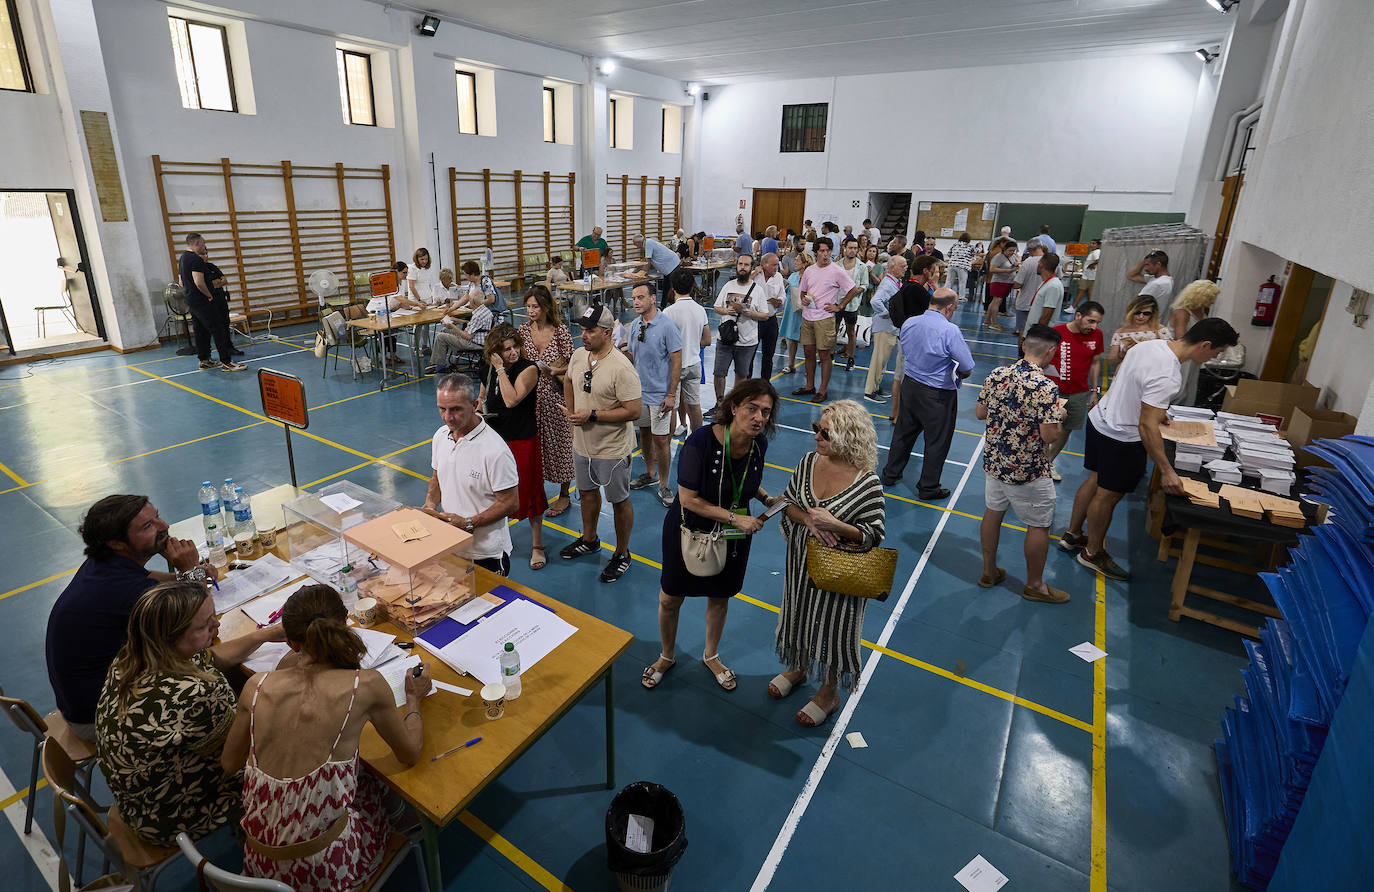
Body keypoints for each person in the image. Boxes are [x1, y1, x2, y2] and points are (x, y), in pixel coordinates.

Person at [222, 584, 431, 892]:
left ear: (290, 642)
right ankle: (407, 827)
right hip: (326, 869)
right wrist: (413, 700)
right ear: (345, 621)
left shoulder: (256, 686)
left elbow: (229, 764)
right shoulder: (366, 686)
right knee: (370, 781)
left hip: (258, 864)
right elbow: (409, 753)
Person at [96, 580, 283, 846]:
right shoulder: (197, 693)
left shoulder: (133, 657)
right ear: (173, 637)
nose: (216, 626)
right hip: (177, 815)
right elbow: (239, 759)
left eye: (214, 616)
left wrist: (264, 635)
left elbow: (210, 658)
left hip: (139, 803)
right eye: (205, 624)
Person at [1060, 318, 1239, 581]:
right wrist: (1166, 470)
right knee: (1108, 495)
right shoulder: (1169, 373)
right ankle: (1092, 553)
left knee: (1095, 479)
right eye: (1217, 352)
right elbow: (1145, 425)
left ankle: (1073, 535)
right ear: (1205, 344)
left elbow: (1126, 379)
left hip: (1101, 421)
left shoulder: (1150, 345)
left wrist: (1154, 411)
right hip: (1122, 435)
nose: (1215, 357)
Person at [642, 379, 779, 693]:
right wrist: (736, 518)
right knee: (670, 598)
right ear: (733, 408)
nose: (759, 417)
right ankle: (666, 655)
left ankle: (711, 655)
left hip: (732, 536)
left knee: (720, 597)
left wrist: (766, 498)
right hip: (687, 529)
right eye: (752, 408)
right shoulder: (700, 443)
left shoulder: (759, 444)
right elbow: (688, 499)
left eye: (766, 412)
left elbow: (746, 481)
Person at [46, 495, 212, 740]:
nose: (164, 525)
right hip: (102, 717)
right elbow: (205, 628)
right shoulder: (126, 593)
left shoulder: (105, 564)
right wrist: (191, 571)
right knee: (218, 674)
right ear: (117, 543)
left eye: (157, 516)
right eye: (148, 526)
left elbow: (147, 578)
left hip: (82, 702)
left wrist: (189, 577)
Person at [772, 400, 886, 727]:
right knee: (799, 613)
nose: (816, 437)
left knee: (837, 627)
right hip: (800, 563)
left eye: (825, 432)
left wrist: (836, 526)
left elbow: (873, 535)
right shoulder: (808, 462)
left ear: (848, 437)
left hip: (840, 574)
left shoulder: (867, 483)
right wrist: (808, 520)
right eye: (816, 429)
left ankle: (829, 691)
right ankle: (799, 666)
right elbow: (788, 504)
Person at [975, 325, 1069, 604]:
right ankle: (1035, 585)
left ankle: (989, 571)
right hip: (1028, 471)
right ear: (1051, 351)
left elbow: (981, 412)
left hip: (995, 462)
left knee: (993, 513)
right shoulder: (1045, 387)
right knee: (1039, 526)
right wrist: (1060, 413)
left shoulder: (997, 374)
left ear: (1024, 344)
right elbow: (1049, 435)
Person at [561, 305, 642, 583]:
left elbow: (634, 410)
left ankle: (622, 553)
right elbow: (568, 381)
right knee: (586, 493)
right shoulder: (578, 355)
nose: (583, 335)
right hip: (583, 444)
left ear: (607, 332)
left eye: (590, 330)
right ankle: (590, 539)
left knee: (618, 500)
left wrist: (593, 414)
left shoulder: (621, 367)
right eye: (582, 329)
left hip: (612, 449)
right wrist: (573, 418)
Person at [880, 289, 974, 499]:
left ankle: (890, 473)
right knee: (937, 441)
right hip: (937, 394)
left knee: (903, 432)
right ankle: (928, 487)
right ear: (949, 307)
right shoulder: (950, 331)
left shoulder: (910, 323)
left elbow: (905, 350)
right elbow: (967, 367)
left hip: (911, 386)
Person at [423, 373, 519, 576]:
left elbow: (510, 503)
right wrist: (430, 505)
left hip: (486, 555)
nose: (448, 417)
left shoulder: (495, 451)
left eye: (456, 409)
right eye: (442, 409)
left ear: (475, 404)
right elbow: (437, 477)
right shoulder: (441, 436)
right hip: (452, 547)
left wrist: (468, 523)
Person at [480, 323, 549, 570]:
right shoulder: (487, 368)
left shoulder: (528, 369)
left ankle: (537, 545)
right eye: (506, 349)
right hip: (497, 441)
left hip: (523, 440)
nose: (513, 352)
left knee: (530, 492)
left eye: (515, 346)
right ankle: (494, 541)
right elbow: (484, 397)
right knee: (495, 492)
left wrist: (500, 369)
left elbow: (511, 400)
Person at [518, 285, 575, 518]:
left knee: (561, 445)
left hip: (557, 397)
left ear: (546, 307)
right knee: (534, 446)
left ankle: (564, 494)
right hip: (531, 399)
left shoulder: (560, 331)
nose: (531, 311)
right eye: (528, 306)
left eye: (535, 306)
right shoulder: (522, 331)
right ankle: (537, 491)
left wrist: (555, 370)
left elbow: (574, 364)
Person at [625, 283, 683, 507]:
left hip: (660, 395)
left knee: (661, 440)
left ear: (652, 299)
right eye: (633, 298)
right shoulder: (635, 325)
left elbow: (676, 361)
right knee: (646, 435)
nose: (636, 301)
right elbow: (632, 353)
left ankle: (664, 484)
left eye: (640, 297)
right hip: (639, 394)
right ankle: (650, 473)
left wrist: (671, 394)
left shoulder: (667, 326)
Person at [794, 238, 861, 404]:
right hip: (808, 317)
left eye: (828, 251)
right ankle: (809, 386)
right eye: (822, 251)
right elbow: (803, 292)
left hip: (825, 319)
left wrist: (840, 306)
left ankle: (823, 390)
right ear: (816, 252)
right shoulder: (809, 270)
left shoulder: (836, 270)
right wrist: (803, 300)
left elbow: (853, 289)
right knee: (808, 353)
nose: (825, 254)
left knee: (824, 355)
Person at [1044, 301, 1106, 481]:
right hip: (1054, 391)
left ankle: (1048, 461)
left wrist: (1095, 391)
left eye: (1097, 323)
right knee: (1048, 428)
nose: (1093, 326)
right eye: (1091, 321)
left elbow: (1095, 362)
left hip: (1079, 392)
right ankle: (1037, 462)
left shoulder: (1097, 336)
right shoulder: (1056, 333)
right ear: (1078, 315)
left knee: (1067, 430)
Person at [711, 253, 771, 411]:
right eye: (740, 264)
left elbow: (765, 315)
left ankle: (735, 405)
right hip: (725, 338)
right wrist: (726, 311)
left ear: (752, 267)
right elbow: (717, 307)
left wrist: (749, 313)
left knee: (741, 375)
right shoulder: (728, 286)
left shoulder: (757, 290)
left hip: (747, 341)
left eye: (746, 265)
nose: (742, 267)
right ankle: (720, 404)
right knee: (719, 372)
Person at [178, 233, 244, 371]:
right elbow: (198, 282)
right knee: (218, 329)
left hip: (192, 301)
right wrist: (208, 295)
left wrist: (190, 294)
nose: (204, 246)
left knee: (200, 331)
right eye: (203, 243)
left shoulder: (183, 258)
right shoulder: (196, 260)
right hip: (202, 301)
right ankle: (227, 362)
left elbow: (181, 282)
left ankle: (204, 360)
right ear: (196, 244)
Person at [662, 267, 711, 434]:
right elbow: (707, 340)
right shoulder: (700, 310)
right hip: (695, 364)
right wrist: (691, 342)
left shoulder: (668, 312)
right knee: (695, 405)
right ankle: (699, 439)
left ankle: (667, 442)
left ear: (673, 287)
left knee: (672, 407)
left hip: (675, 367)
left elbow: (663, 343)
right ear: (692, 287)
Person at [1168, 279, 1221, 405]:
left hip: (1194, 356)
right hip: (1182, 355)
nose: (1213, 301)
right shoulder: (1182, 312)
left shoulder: (1201, 312)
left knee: (1189, 388)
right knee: (1178, 389)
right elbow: (1181, 338)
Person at [864, 253, 907, 403]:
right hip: (884, 327)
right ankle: (870, 391)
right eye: (902, 266)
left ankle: (876, 386)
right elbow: (875, 301)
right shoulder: (888, 284)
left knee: (883, 361)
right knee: (878, 360)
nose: (905, 268)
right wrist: (885, 313)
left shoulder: (893, 281)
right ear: (893, 267)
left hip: (889, 328)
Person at [367, 261, 426, 366]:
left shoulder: (402, 282)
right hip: (377, 310)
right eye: (404, 273)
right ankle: (383, 358)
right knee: (384, 334)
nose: (406, 275)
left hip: (390, 311)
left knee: (393, 332)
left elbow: (400, 301)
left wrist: (410, 307)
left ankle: (393, 355)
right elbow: (399, 298)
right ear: (396, 272)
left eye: (407, 273)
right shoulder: (390, 282)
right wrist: (416, 304)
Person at [193, 240, 244, 357]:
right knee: (213, 328)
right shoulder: (197, 269)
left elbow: (224, 281)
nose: (205, 256)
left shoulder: (211, 266)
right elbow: (204, 284)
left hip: (221, 299)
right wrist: (214, 283)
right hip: (209, 301)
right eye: (202, 254)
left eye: (206, 253)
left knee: (225, 323)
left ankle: (229, 347)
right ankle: (214, 354)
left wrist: (214, 283)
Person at [425, 291, 492, 374]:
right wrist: (458, 320)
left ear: (473, 302)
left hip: (473, 343)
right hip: (478, 339)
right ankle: (440, 362)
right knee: (445, 330)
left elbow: (468, 336)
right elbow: (475, 326)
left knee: (441, 337)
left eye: (469, 300)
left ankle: (440, 366)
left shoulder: (478, 315)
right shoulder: (484, 310)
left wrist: (453, 326)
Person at [1107, 295, 1173, 366]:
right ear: (1131, 311)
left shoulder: (1160, 329)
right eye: (1137, 312)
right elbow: (1112, 361)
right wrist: (1123, 353)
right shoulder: (1120, 332)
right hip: (1128, 373)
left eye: (1146, 313)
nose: (1141, 316)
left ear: (1153, 314)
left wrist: (1152, 345)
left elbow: (1172, 353)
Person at [751, 252, 787, 379]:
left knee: (768, 356)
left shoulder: (778, 277)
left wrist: (780, 301)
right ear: (764, 265)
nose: (776, 268)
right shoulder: (755, 276)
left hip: (771, 321)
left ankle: (765, 383)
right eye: (773, 265)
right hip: (755, 321)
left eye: (777, 265)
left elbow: (783, 294)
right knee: (750, 355)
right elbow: (742, 285)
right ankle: (747, 383)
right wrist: (755, 273)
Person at [834, 237, 868, 371]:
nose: (852, 250)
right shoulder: (836, 265)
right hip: (837, 303)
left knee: (851, 332)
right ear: (844, 249)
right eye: (850, 248)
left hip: (852, 305)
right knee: (833, 331)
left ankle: (851, 359)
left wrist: (854, 292)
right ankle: (829, 356)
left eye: (855, 248)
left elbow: (865, 284)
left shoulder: (862, 267)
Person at [781, 251, 812, 375]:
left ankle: (808, 368)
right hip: (791, 311)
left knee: (806, 341)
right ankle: (790, 364)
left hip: (806, 312)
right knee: (791, 338)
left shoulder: (810, 277)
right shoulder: (793, 275)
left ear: (804, 264)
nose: (794, 262)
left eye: (797, 260)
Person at [632, 233, 681, 305]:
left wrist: (642, 274)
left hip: (672, 265)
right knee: (666, 287)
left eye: (634, 244)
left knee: (671, 288)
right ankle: (663, 305)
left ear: (638, 242)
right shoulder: (648, 243)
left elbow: (648, 262)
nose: (635, 246)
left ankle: (673, 305)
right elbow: (648, 261)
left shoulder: (648, 244)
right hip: (670, 266)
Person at [1011, 239, 1046, 338]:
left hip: (1026, 302)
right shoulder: (1051, 261)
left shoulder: (1028, 262)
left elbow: (1018, 284)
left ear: (1030, 249)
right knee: (1039, 333)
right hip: (1044, 304)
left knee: (1023, 331)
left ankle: (1022, 353)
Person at [1126, 249, 1174, 315]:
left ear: (1158, 264)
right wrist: (1146, 260)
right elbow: (1131, 276)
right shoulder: (1166, 279)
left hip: (1146, 322)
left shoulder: (1157, 284)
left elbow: (1136, 305)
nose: (1145, 269)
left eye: (1147, 265)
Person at [984, 239, 1019, 329]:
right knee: (996, 302)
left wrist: (1016, 264)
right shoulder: (998, 257)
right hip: (999, 282)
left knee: (994, 302)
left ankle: (987, 321)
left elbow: (1016, 263)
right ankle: (994, 323)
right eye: (1010, 250)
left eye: (1013, 250)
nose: (1012, 252)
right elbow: (992, 269)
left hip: (1007, 282)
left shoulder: (1013, 256)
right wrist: (1007, 270)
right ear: (1004, 249)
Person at [1026, 252, 1065, 331]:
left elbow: (1047, 315)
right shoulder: (1046, 283)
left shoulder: (1053, 286)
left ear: (1041, 264)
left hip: (1038, 333)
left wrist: (1037, 334)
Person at [945, 232, 976, 299]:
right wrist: (979, 246)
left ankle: (945, 294)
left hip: (952, 264)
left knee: (949, 281)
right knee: (962, 282)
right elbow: (977, 251)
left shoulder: (955, 245)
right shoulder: (970, 246)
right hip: (962, 266)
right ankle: (961, 297)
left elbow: (949, 254)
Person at [1076, 239, 1101, 307]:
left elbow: (1098, 260)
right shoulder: (1093, 252)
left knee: (1081, 291)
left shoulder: (1096, 252)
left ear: (1098, 245)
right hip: (1088, 276)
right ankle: (1090, 306)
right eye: (1091, 243)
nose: (1091, 245)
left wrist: (1091, 265)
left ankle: (1073, 306)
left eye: (1093, 243)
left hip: (1089, 276)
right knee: (1088, 292)